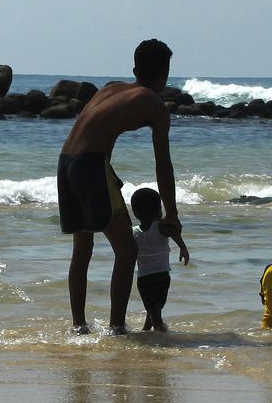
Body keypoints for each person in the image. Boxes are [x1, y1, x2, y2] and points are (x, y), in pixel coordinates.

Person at [57, 38, 181, 334]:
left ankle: (79, 326)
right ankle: (116, 328)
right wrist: (172, 213)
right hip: (91, 166)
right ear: (165, 73)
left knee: (82, 247)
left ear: (135, 68)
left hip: (65, 162)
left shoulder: (109, 88)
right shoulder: (154, 103)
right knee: (126, 250)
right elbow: (163, 164)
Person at [129, 187, 189, 332]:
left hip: (144, 278)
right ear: (159, 210)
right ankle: (160, 331)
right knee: (156, 308)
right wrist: (183, 247)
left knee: (153, 307)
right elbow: (174, 232)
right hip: (163, 276)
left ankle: (146, 330)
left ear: (135, 213)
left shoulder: (133, 232)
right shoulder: (160, 227)